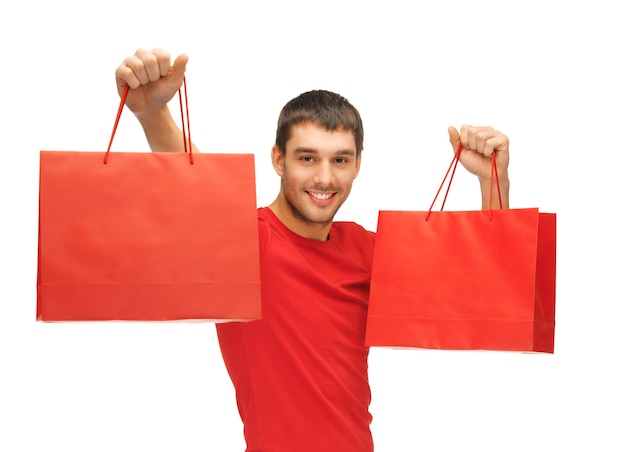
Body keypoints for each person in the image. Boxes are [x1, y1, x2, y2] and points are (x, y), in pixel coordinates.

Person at [115, 48, 510, 451]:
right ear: (279, 159)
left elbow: (482, 294)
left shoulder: (365, 248)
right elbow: (198, 185)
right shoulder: (249, 241)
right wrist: (152, 115)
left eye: (340, 159)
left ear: (357, 165)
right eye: (307, 158)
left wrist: (493, 181)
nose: (325, 177)